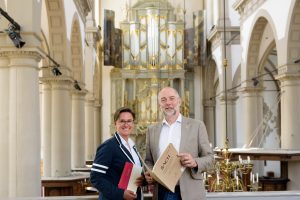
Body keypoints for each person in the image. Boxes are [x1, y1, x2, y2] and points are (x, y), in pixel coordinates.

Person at [144, 87, 214, 200]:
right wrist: (150, 174)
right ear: (159, 105)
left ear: (179, 101)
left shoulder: (197, 126)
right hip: (162, 191)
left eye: (172, 98)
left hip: (190, 191)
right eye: (163, 100)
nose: (168, 103)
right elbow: (148, 161)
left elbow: (210, 159)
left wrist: (195, 162)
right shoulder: (152, 130)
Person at [90, 107, 145, 200]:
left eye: (129, 121)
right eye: (122, 121)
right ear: (115, 123)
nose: (126, 124)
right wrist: (121, 194)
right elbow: (95, 177)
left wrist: (143, 180)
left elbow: (133, 173)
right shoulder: (108, 146)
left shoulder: (132, 146)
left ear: (133, 123)